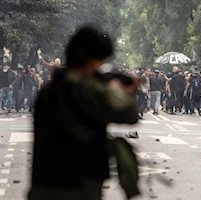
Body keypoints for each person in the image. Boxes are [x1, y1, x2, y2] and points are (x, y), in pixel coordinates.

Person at [28, 26, 139, 200]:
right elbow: (129, 113)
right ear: (83, 56)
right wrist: (116, 90)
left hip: (44, 183)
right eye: (98, 60)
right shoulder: (85, 89)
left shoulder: (50, 89)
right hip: (78, 185)